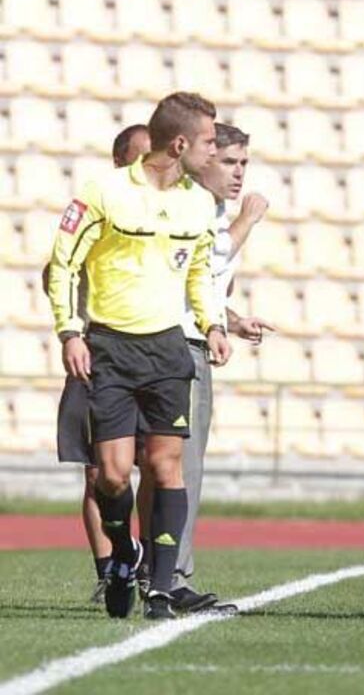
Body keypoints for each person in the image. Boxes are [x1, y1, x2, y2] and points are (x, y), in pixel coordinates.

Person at [47, 92, 231, 620]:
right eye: (209, 143)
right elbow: (61, 264)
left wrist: (212, 322)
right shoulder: (103, 192)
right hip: (109, 348)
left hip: (167, 348)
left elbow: (199, 270)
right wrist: (70, 332)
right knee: (110, 475)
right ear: (180, 143)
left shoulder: (199, 202)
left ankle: (163, 588)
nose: (213, 153)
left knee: (165, 465)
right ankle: (124, 554)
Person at [136, 123, 272, 613]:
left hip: (187, 338)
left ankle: (152, 570)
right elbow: (211, 257)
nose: (238, 173)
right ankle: (169, 576)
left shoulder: (207, 207)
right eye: (228, 160)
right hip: (178, 347)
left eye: (243, 164)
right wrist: (249, 220)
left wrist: (230, 321)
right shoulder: (195, 205)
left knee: (162, 468)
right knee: (180, 468)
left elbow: (204, 283)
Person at [45, 124, 152, 604]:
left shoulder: (169, 212)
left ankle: (150, 566)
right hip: (96, 354)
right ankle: (109, 569)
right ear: (118, 163)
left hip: (149, 357)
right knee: (98, 474)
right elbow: (55, 270)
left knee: (154, 465)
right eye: (137, 158)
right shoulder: (96, 210)